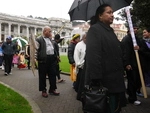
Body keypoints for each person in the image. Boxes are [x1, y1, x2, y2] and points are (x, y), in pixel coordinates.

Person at [85, 4, 126, 113]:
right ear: (100, 16)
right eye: (108, 12)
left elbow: (116, 50)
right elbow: (93, 56)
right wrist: (96, 80)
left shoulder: (110, 31)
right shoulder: (95, 30)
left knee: (116, 108)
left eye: (112, 12)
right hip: (105, 81)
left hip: (115, 79)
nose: (112, 15)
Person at [36, 26, 59, 98]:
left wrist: (56, 56)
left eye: (51, 31)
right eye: (49, 31)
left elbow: (53, 49)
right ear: (45, 31)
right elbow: (36, 50)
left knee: (53, 74)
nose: (50, 33)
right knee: (42, 76)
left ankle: (52, 89)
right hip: (43, 60)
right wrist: (35, 58)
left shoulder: (51, 40)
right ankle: (43, 90)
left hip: (52, 59)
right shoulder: (39, 39)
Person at [121, 25, 142, 105]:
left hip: (136, 63)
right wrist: (127, 63)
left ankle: (130, 93)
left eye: (137, 28)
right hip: (131, 64)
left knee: (136, 81)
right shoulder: (126, 39)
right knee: (132, 81)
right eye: (134, 28)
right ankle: (132, 98)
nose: (136, 30)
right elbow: (125, 52)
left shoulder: (136, 39)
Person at [73, 33, 86, 100]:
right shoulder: (79, 45)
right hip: (81, 68)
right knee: (80, 85)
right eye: (85, 38)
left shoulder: (91, 44)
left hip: (88, 69)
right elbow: (76, 56)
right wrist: (79, 64)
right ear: (83, 38)